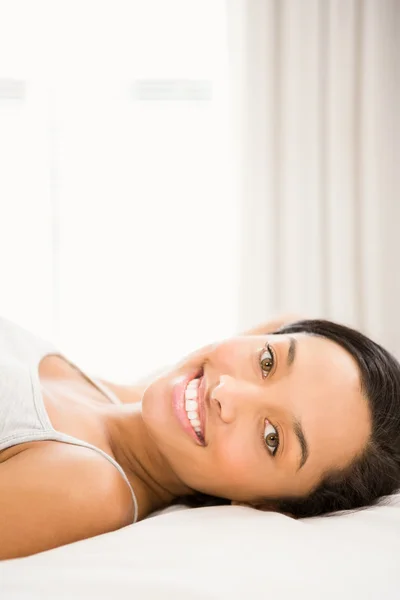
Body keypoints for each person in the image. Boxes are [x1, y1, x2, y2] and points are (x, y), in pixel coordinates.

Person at [1, 313, 400, 560]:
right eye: (267, 361)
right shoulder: (116, 398)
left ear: (264, 503)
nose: (226, 392)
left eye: (272, 438)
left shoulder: (89, 486)